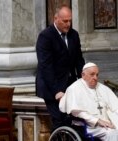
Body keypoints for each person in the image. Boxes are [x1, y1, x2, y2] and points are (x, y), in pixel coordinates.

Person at [35, 4, 85, 132]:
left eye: (70, 20)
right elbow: (46, 66)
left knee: (74, 121)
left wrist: (84, 81)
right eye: (65, 21)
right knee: (59, 121)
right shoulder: (46, 36)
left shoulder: (74, 35)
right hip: (51, 87)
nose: (68, 24)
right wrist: (56, 90)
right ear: (55, 18)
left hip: (69, 84)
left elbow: (79, 61)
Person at [59, 62, 118, 141]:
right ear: (83, 75)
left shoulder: (103, 88)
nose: (95, 77)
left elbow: (115, 106)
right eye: (92, 74)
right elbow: (78, 112)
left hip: (107, 123)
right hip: (88, 126)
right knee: (113, 134)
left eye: (97, 75)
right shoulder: (74, 88)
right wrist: (98, 121)